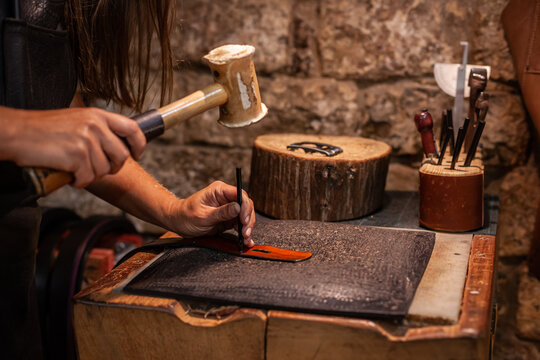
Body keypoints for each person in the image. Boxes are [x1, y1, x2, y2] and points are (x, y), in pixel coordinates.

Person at [0, 0, 255, 358]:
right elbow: (33, 123)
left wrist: (174, 211)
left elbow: (59, 119)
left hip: (10, 262)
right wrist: (14, 130)